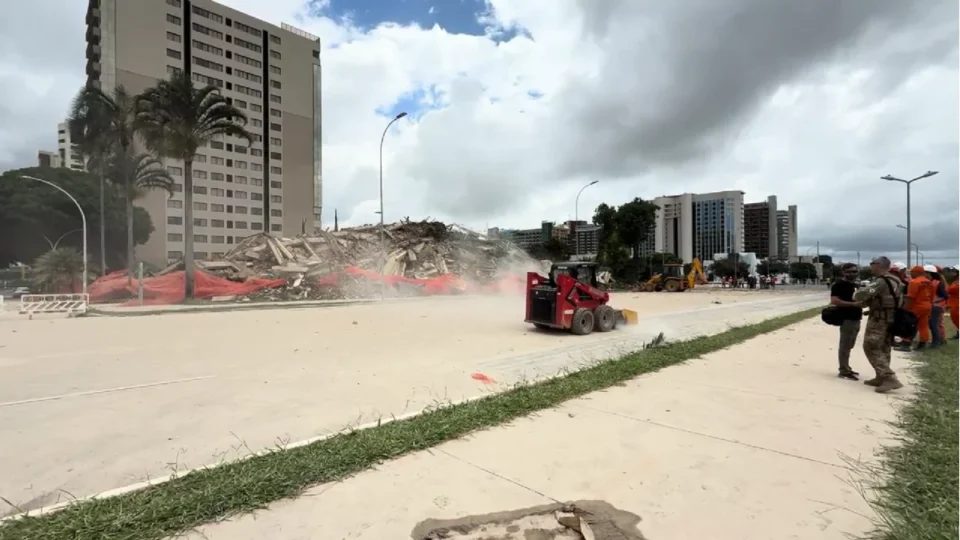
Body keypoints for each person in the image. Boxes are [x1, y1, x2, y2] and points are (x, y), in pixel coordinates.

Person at [853, 256, 904, 393]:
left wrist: (858, 293)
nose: (870, 266)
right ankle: (880, 376)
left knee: (871, 346)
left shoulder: (881, 281)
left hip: (879, 320)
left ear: (879, 265)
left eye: (872, 264)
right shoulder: (896, 280)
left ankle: (889, 377)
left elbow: (860, 295)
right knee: (884, 347)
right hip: (891, 318)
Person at [829, 263, 863, 380]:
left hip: (856, 318)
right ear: (843, 272)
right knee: (845, 345)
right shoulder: (838, 285)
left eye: (854, 271)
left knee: (850, 344)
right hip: (846, 318)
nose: (852, 274)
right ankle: (843, 370)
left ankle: (847, 367)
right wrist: (852, 304)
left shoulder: (856, 285)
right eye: (850, 271)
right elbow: (834, 300)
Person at [904, 265, 934, 350]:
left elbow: (911, 297)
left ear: (916, 272)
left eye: (912, 272)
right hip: (927, 305)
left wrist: (905, 308)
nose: (910, 274)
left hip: (916, 306)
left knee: (910, 324)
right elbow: (932, 295)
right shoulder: (929, 282)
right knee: (923, 326)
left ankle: (906, 343)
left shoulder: (914, 282)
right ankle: (923, 343)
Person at [926, 264, 947, 347]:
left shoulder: (939, 283)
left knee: (934, 324)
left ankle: (936, 342)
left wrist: (936, 300)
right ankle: (938, 341)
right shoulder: (930, 282)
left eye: (925, 273)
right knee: (932, 324)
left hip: (937, 306)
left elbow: (945, 295)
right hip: (932, 306)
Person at [946, 266, 959, 339]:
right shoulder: (956, 282)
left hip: (957, 304)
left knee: (957, 320)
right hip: (954, 304)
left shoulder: (957, 284)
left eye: (954, 271)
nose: (951, 272)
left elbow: (948, 289)